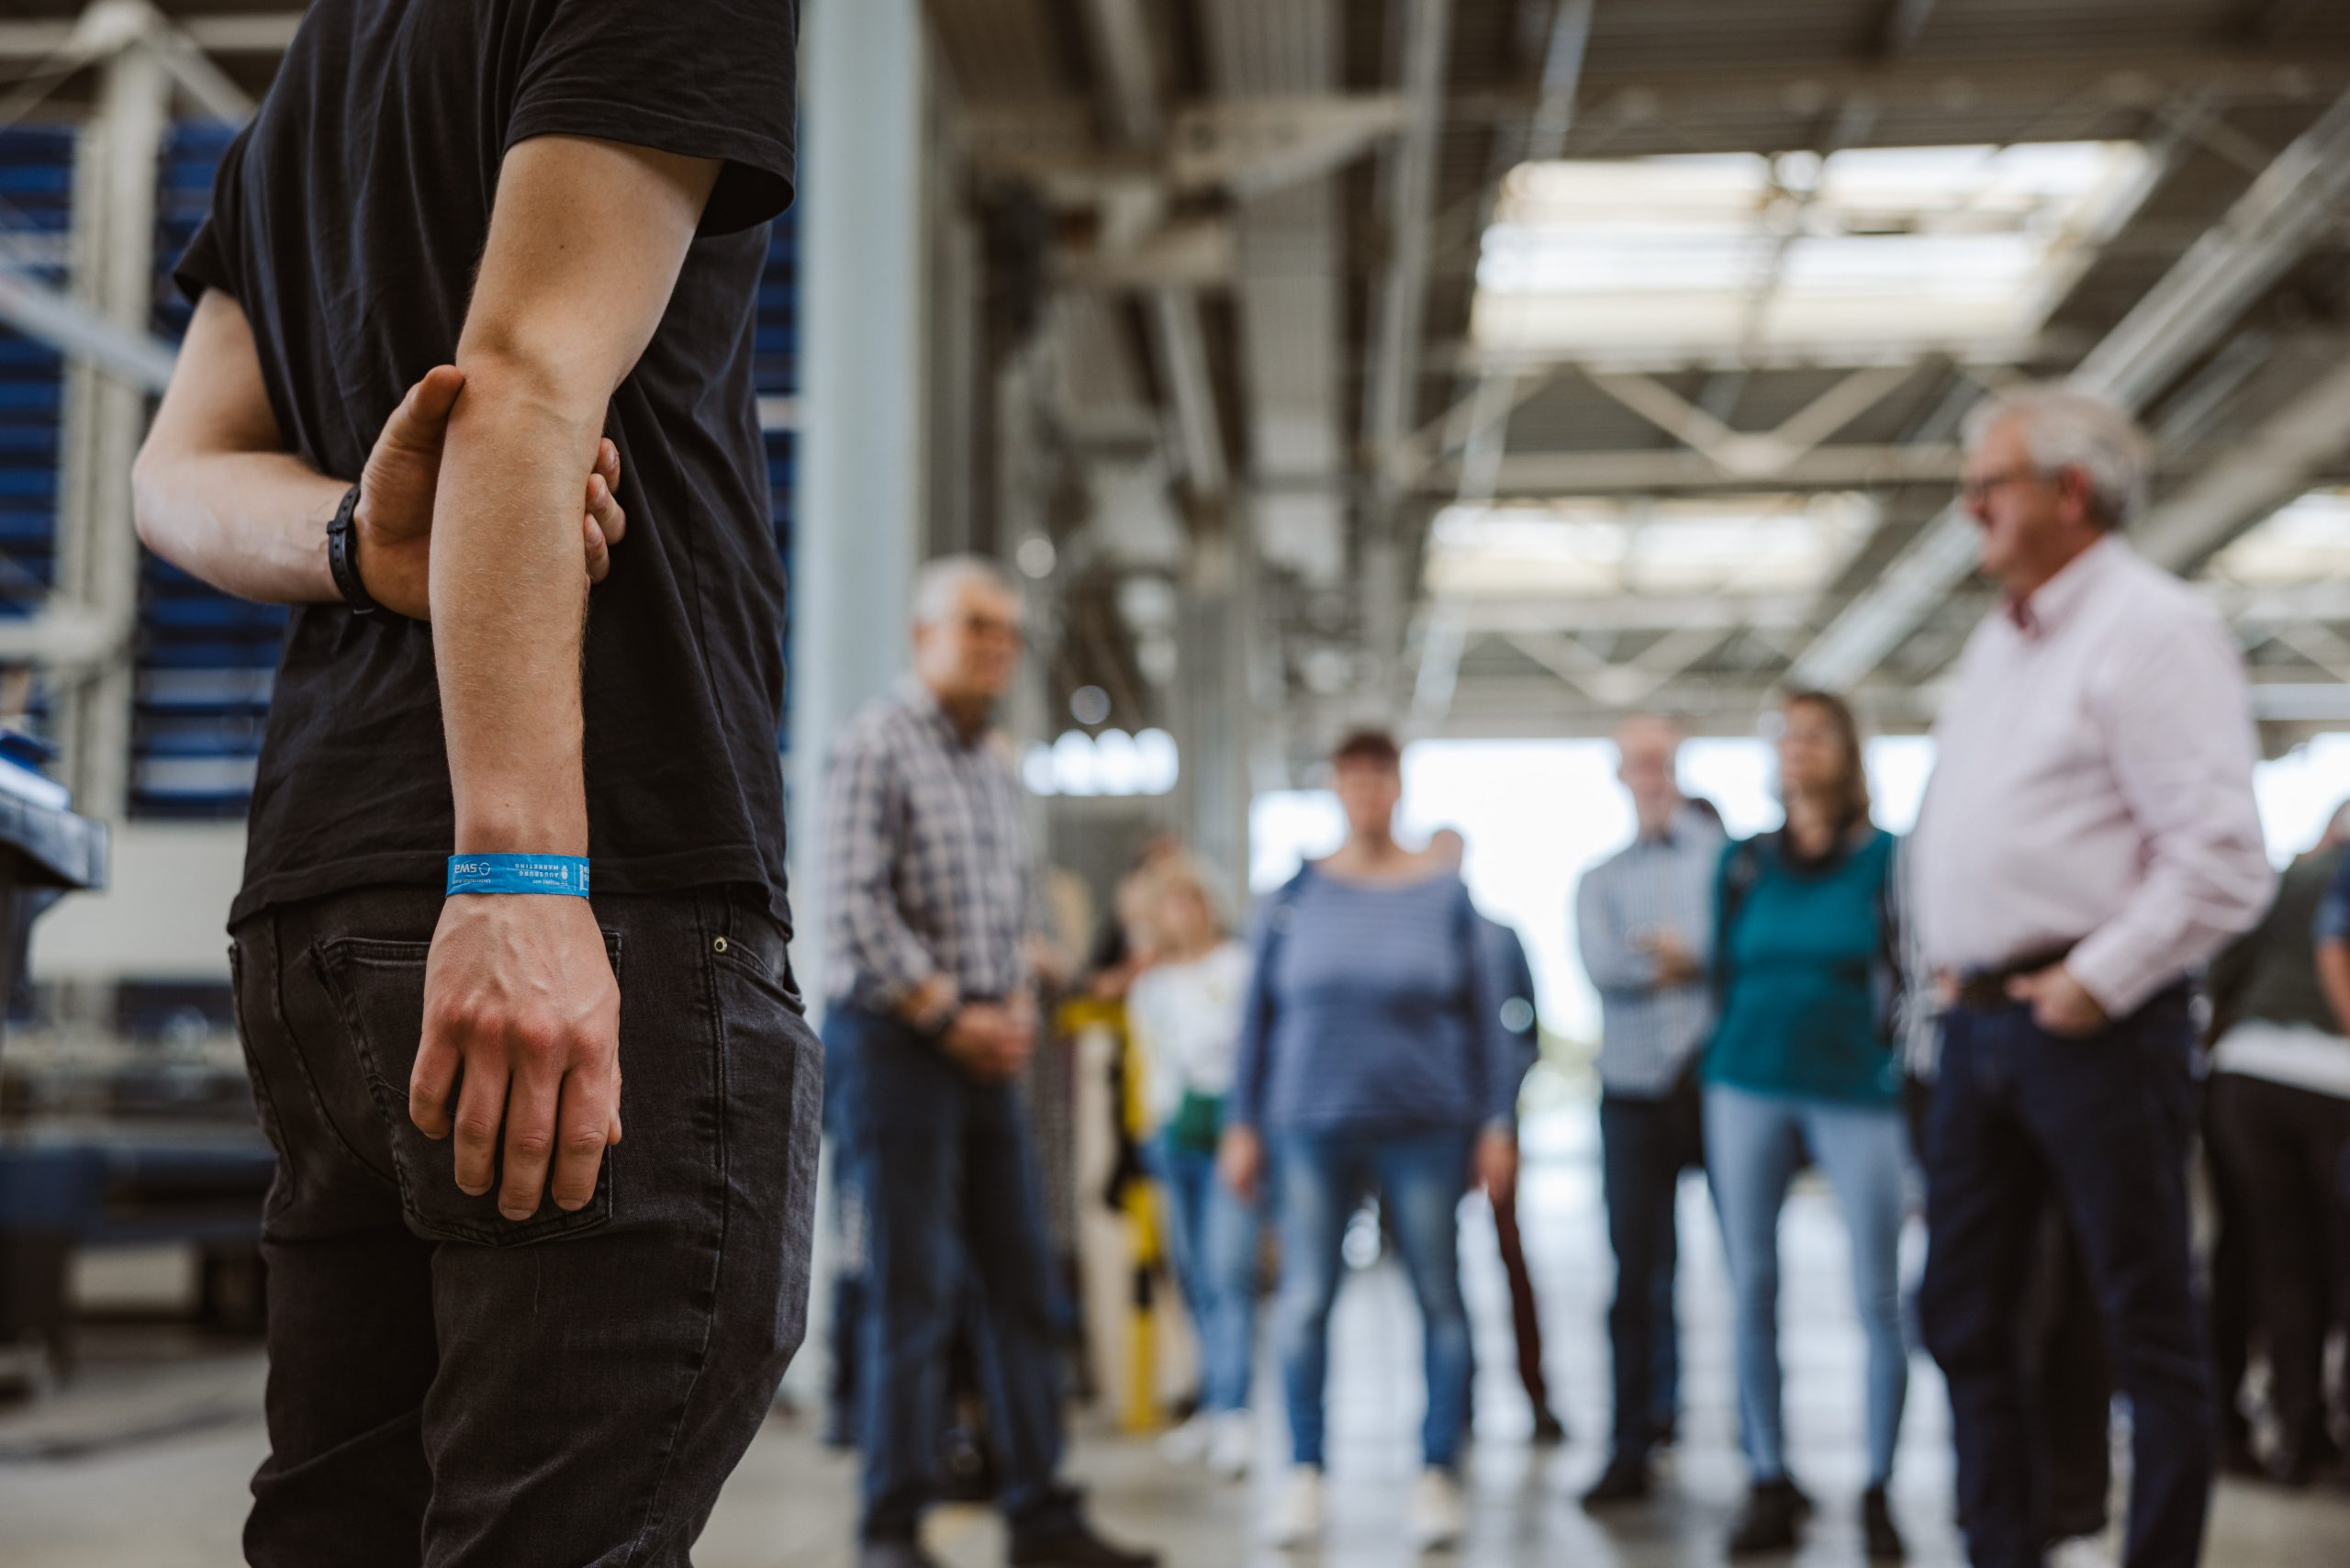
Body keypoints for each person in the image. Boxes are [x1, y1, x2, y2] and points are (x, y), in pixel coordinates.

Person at [131, 5, 819, 1562]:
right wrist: (520, 875)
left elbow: (172, 470)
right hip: (579, 874)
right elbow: (517, 376)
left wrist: (355, 550)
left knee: (342, 1523)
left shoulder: (329, 60)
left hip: (324, 906)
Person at [1911, 384, 2275, 1568]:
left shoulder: (2149, 627)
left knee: (2140, 1324)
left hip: (2094, 1024)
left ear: (2070, 493)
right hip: (1977, 1026)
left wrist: (2093, 979)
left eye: (1989, 486)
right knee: (1964, 1316)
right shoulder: (1996, 642)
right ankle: (2000, 1549)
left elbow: (2220, 858)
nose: (1969, 509)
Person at [822, 556, 1155, 1568]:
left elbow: (1003, 916)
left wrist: (1017, 993)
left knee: (1021, 1285)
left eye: (1006, 630)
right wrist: (947, 1013)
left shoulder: (989, 763)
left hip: (985, 1051)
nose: (995, 645)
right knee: (912, 1291)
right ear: (924, 636)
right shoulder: (877, 744)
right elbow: (850, 908)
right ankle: (892, 1523)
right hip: (895, 1048)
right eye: (975, 625)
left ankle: (1040, 1509)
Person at [1220, 730, 1520, 1551]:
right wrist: (1241, 1122)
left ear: (1398, 786)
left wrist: (1497, 1121)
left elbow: (1488, 1021)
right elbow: (1256, 1020)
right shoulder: (1293, 895)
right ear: (1333, 786)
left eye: (1379, 775)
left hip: (1428, 1120)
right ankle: (1307, 1471)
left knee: (1438, 1296)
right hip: (1309, 1121)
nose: (1366, 790)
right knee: (1308, 1298)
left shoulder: (1444, 895)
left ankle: (1436, 1471)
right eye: (1350, 775)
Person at [1704, 692, 1910, 1560]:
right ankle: (1767, 1474)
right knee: (1750, 1285)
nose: (1798, 749)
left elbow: (1909, 973)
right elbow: (1721, 967)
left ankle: (1877, 1484)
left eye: (1815, 733)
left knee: (1877, 1293)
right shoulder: (1745, 862)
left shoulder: (1890, 861)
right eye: (1786, 735)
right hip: (1746, 1083)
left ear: (1848, 751)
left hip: (1856, 1091)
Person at [1575, 717, 1721, 1505]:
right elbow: (1604, 964)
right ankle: (1636, 1434)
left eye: (1663, 761)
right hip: (1631, 1092)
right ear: (1621, 774)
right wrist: (1685, 956)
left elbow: (1730, 949)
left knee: (1749, 1269)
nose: (1652, 775)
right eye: (1638, 763)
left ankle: (1770, 1464)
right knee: (1636, 1273)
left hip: (1716, 1082)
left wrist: (1671, 953)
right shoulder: (1598, 879)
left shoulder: (1726, 865)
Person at [2211, 801, 2350, 1484]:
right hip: (2337, 1083)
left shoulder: (2290, 879)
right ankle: (2323, 1433)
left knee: (2274, 1257)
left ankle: (2292, 1433)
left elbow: (2225, 970)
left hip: (2252, 1072)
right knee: (2336, 1261)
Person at [1429, 826, 1568, 1446]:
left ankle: (1537, 1395)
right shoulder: (1416, 941)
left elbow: (1525, 1025)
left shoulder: (1498, 936)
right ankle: (1452, 1403)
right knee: (1438, 1268)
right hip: (1431, 1126)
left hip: (1493, 1120)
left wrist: (1503, 1099)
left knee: (1512, 1255)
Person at [1125, 853, 1260, 1480]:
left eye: (1192, 898)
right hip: (1169, 1137)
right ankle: (1211, 1400)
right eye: (1170, 900)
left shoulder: (1238, 967)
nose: (1182, 911)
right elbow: (1149, 1060)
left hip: (1226, 1134)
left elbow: (1242, 1049)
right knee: (1190, 1272)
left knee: (1227, 1269)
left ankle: (1237, 1412)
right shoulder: (1149, 983)